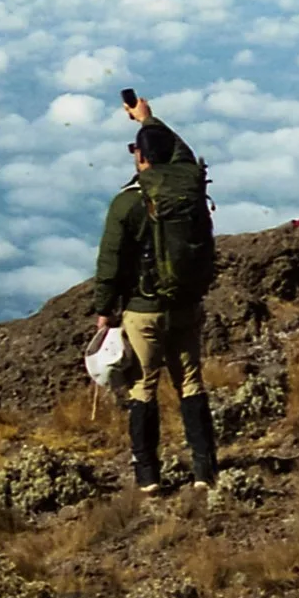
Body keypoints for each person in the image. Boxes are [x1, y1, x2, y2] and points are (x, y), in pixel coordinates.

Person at [90, 117, 218, 494]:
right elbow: (184, 155)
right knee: (191, 383)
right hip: (185, 304)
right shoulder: (189, 189)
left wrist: (103, 310)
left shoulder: (128, 203)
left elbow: (110, 262)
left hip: (142, 310)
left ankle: (148, 477)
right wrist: (147, 118)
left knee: (143, 388)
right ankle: (203, 472)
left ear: (141, 157)